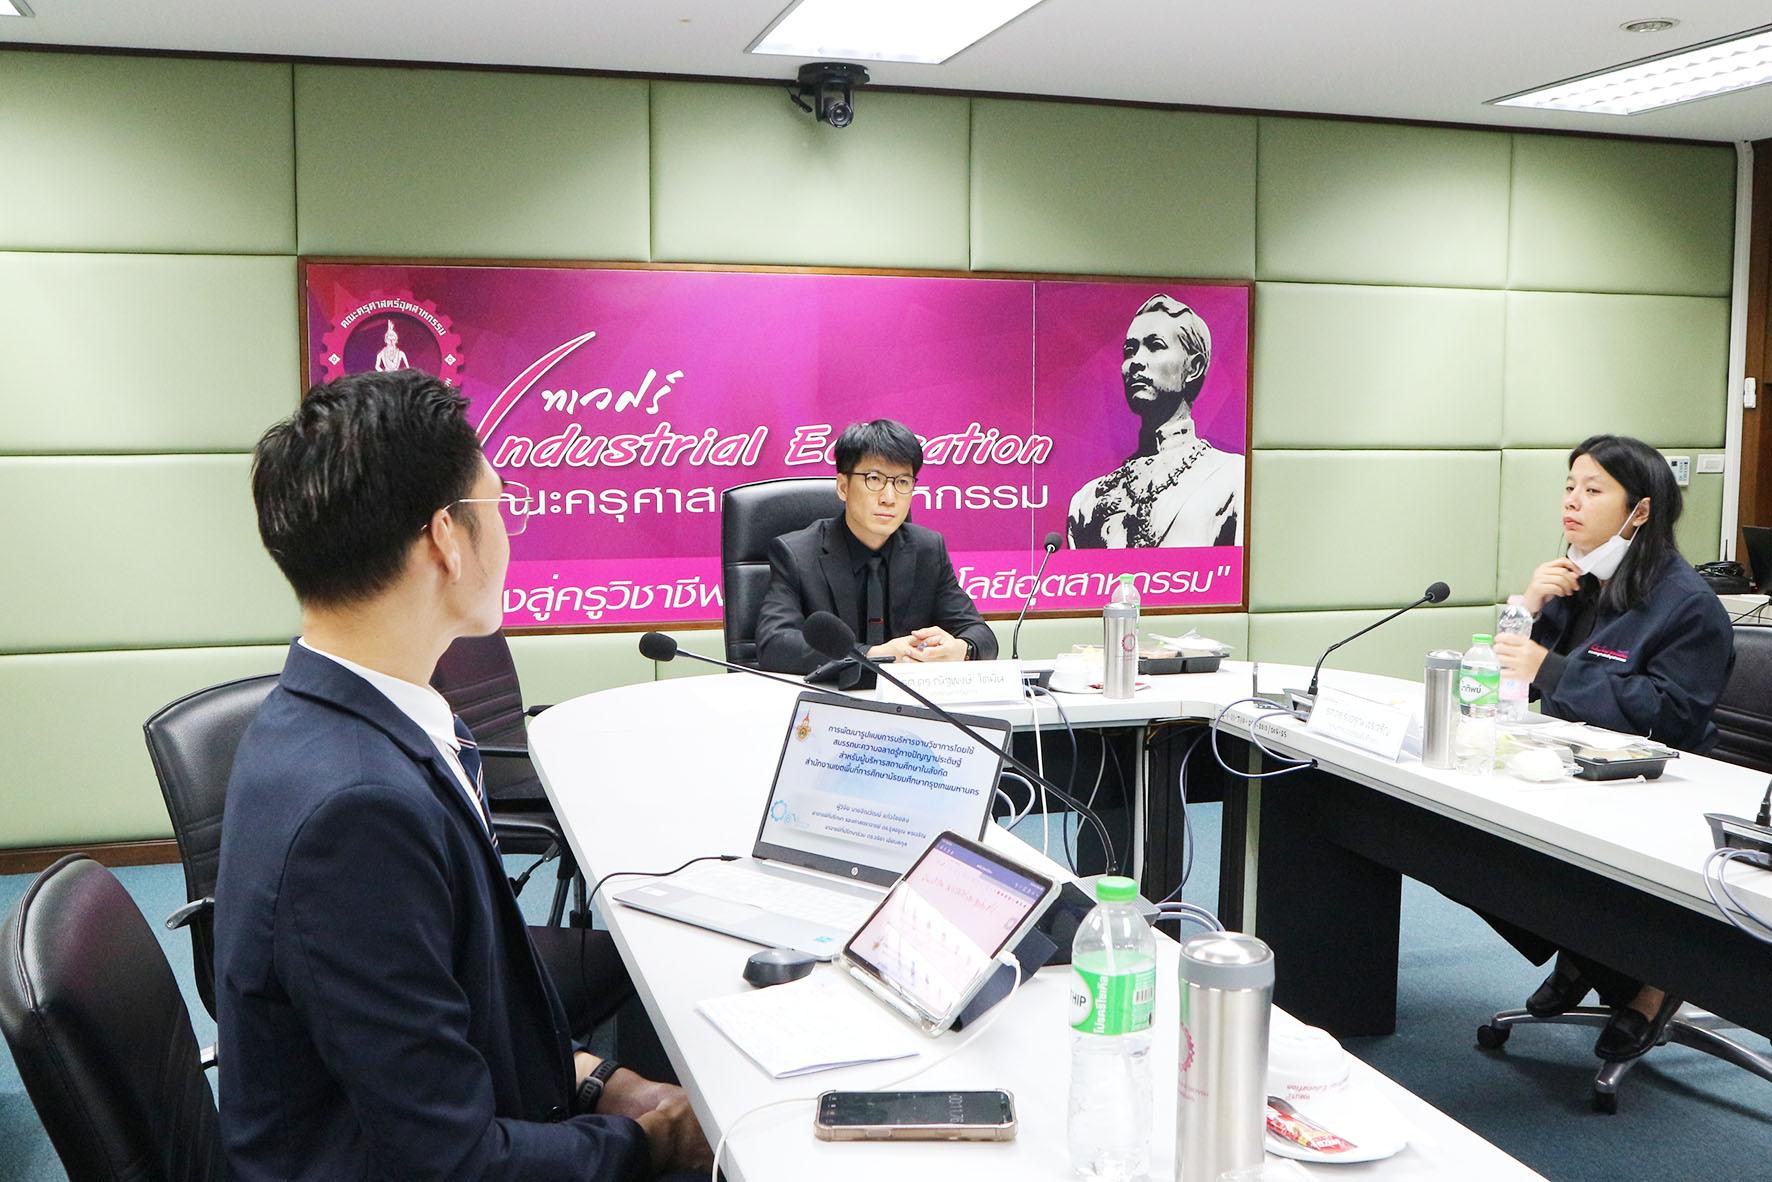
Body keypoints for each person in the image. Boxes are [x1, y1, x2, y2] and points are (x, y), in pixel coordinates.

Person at [215, 369, 710, 1179]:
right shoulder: (360, 812)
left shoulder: (338, 715)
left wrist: (597, 1082)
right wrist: (651, 1143)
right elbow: (450, 1162)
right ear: (446, 537)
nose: (508, 534)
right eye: (500, 507)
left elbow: (452, 1012)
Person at [1490, 433, 1734, 1064]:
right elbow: (1508, 684)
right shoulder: (1578, 581)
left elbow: (1670, 713)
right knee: (1472, 848)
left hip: (1657, 791)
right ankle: (1587, 950)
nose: (1572, 501)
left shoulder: (1688, 604)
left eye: (1593, 490)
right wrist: (1528, 605)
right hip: (1574, 776)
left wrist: (1550, 668)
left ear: (1641, 510)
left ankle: (1653, 982)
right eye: (1569, 486)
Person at [755, 418, 997, 674]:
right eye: (874, 479)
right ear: (843, 487)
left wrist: (962, 649)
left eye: (902, 482)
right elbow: (775, 645)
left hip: (911, 697)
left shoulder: (928, 549)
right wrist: (873, 656)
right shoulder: (796, 554)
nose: (889, 498)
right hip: (831, 696)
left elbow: (981, 635)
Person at [1067, 294, 1244, 549]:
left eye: (1155, 346)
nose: (1136, 362)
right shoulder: (1087, 502)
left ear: (1193, 367)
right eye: (1129, 351)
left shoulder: (1233, 477)